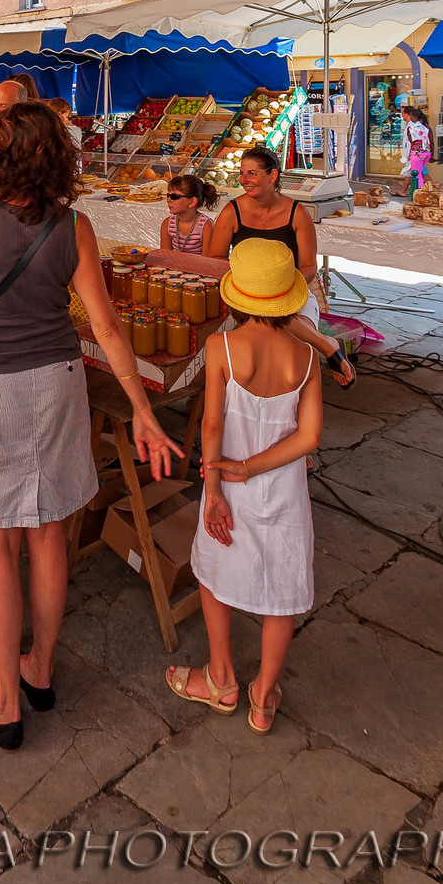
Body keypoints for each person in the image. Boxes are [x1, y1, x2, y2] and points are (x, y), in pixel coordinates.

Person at [0, 100, 175, 749]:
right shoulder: (75, 226)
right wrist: (142, 407)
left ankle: (5, 700)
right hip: (58, 384)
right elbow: (105, 326)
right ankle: (38, 667)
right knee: (47, 534)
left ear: (1, 153)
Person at [167, 239, 323, 732]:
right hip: (285, 494)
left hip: (227, 486)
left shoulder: (223, 347)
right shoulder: (306, 357)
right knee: (283, 589)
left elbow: (211, 423)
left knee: (215, 573)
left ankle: (221, 679)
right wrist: (253, 467)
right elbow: (309, 438)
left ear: (236, 295)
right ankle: (262, 697)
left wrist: (215, 486)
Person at [208, 146, 319, 295]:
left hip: (289, 291)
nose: (243, 180)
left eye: (252, 174)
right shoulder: (231, 212)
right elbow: (215, 258)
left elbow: (309, 266)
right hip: (244, 291)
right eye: (242, 173)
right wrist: (250, 280)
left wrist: (285, 287)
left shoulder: (298, 214)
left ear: (272, 176)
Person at [160, 173, 217, 255]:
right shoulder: (167, 224)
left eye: (174, 196)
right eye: (168, 195)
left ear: (192, 202)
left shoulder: (206, 226)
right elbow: (165, 255)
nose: (168, 199)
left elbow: (207, 259)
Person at [402, 101, 433, 193]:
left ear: (413, 117)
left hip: (417, 153)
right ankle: (428, 190)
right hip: (426, 152)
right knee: (419, 172)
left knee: (418, 175)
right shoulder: (426, 127)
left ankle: (419, 192)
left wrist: (409, 153)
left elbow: (412, 142)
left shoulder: (412, 128)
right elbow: (430, 141)